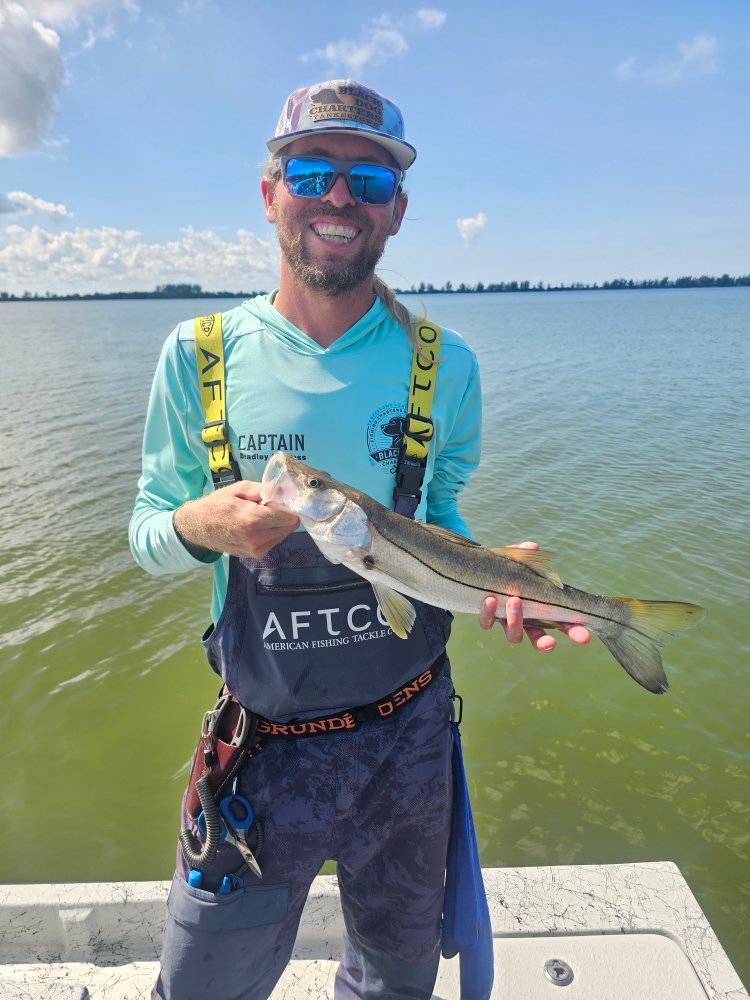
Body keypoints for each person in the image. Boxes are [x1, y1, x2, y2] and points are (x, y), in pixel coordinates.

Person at [129, 79, 590, 1000]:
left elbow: (439, 515)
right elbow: (147, 529)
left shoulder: (443, 364)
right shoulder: (198, 354)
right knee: (201, 985)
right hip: (261, 743)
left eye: (369, 183)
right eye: (312, 171)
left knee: (396, 981)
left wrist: (502, 579)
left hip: (410, 740)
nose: (339, 198)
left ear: (398, 212)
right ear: (270, 195)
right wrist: (199, 523)